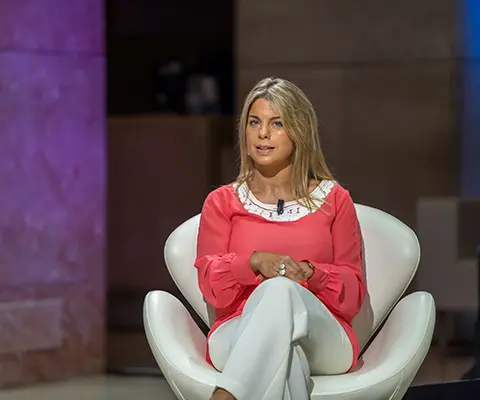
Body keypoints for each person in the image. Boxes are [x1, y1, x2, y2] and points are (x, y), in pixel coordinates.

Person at [194, 77, 366, 400]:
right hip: (237, 332)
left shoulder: (335, 200)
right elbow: (211, 288)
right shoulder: (222, 202)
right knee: (288, 356)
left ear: (299, 132)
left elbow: (353, 294)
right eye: (254, 122)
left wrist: (311, 273)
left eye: (276, 124)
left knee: (281, 289)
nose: (262, 134)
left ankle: (226, 395)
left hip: (323, 335)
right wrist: (253, 262)